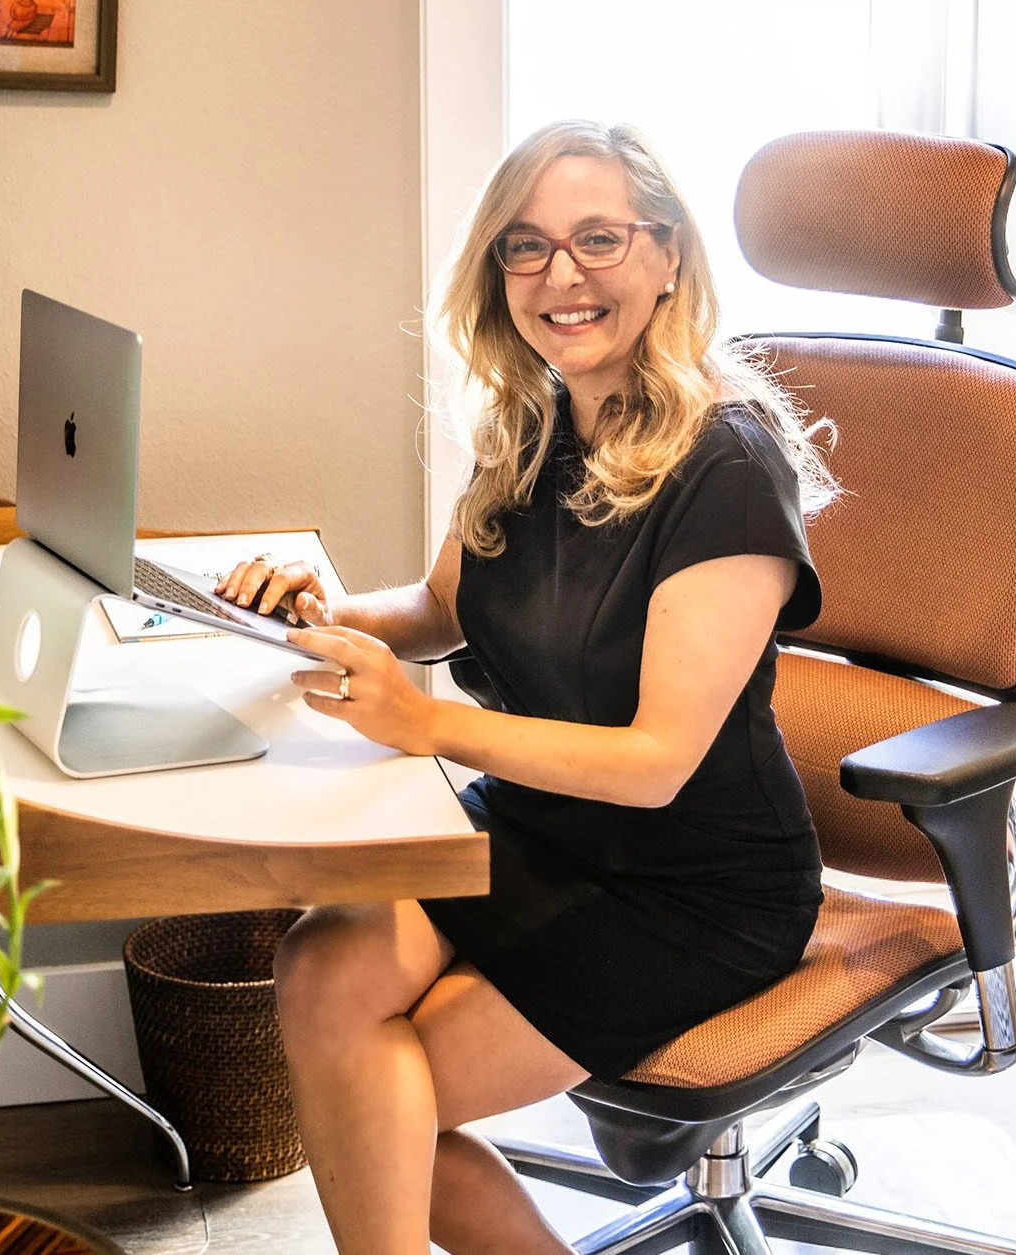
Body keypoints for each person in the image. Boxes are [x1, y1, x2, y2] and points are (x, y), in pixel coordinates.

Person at [215, 119, 837, 1255]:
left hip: (690, 888)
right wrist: (321, 613)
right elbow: (445, 609)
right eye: (525, 246)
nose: (561, 275)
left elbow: (655, 766)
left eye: (597, 239)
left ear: (667, 259)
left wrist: (428, 724)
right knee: (319, 967)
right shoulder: (535, 416)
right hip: (537, 829)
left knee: (381, 1094)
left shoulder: (729, 468)